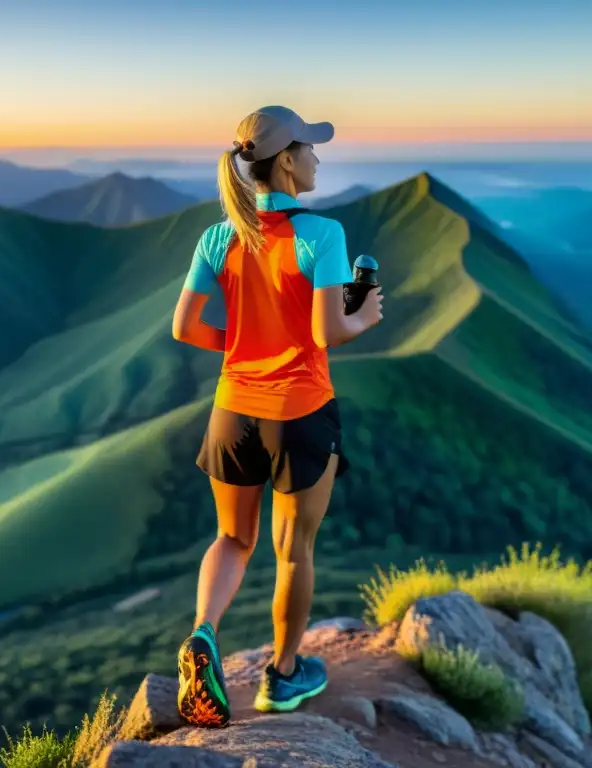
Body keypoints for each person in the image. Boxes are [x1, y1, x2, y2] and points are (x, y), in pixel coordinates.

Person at [170, 105, 384, 728]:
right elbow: (328, 329)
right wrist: (365, 315)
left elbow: (184, 326)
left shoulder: (219, 234)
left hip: (232, 410)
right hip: (300, 414)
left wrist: (245, 346)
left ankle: (203, 635)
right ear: (286, 160)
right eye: (311, 149)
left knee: (232, 538)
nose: (318, 158)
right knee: (294, 552)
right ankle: (283, 678)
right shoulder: (323, 235)